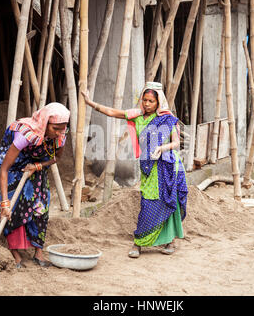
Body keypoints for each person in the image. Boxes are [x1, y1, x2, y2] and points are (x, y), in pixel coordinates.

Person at [81, 82, 188, 258]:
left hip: (167, 166)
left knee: (168, 200)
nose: (147, 104)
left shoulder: (168, 119)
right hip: (148, 167)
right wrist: (90, 103)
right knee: (148, 202)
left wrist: (162, 148)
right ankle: (139, 242)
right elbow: (112, 112)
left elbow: (176, 143)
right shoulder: (136, 116)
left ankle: (169, 241)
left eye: (151, 101)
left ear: (158, 102)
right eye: (144, 100)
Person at [0, 102, 70, 268]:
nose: (59, 133)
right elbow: (4, 169)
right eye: (55, 128)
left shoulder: (61, 135)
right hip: (14, 169)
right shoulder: (25, 134)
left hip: (37, 169)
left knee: (41, 208)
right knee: (14, 211)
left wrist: (37, 166)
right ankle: (15, 253)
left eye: (62, 128)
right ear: (45, 123)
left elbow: (56, 158)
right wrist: (5, 202)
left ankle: (38, 252)